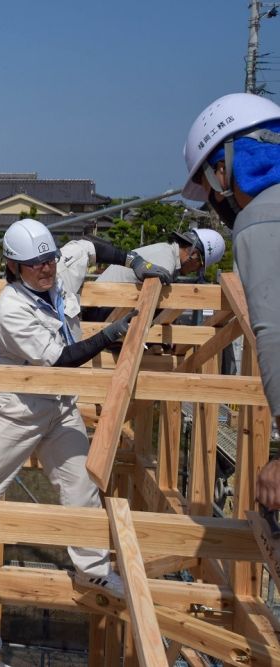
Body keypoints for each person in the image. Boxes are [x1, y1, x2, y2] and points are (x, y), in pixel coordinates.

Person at [0, 219, 147, 595]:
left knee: (81, 486)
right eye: (35, 264)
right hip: (20, 409)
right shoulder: (10, 310)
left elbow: (90, 247)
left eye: (49, 261)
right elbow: (60, 360)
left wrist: (133, 259)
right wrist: (109, 335)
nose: (46, 269)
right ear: (13, 266)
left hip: (62, 406)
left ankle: (92, 570)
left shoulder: (58, 272)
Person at [180, 93, 280, 509]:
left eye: (209, 191)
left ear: (224, 168)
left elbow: (274, 332)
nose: (216, 204)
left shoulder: (261, 219)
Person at [82, 228, 226, 321]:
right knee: (166, 297)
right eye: (200, 265)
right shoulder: (166, 262)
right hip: (100, 312)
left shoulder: (166, 253)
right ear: (193, 254)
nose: (196, 270)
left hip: (102, 306)